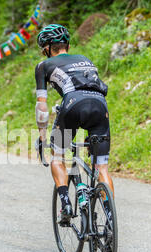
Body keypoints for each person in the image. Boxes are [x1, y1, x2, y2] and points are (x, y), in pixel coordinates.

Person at [34, 24, 114, 225]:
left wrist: (43, 137)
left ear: (47, 48)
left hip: (72, 105)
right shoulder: (85, 60)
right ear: (67, 44)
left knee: (58, 156)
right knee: (102, 168)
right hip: (99, 106)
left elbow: (41, 108)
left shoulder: (44, 65)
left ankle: (66, 205)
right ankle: (111, 219)